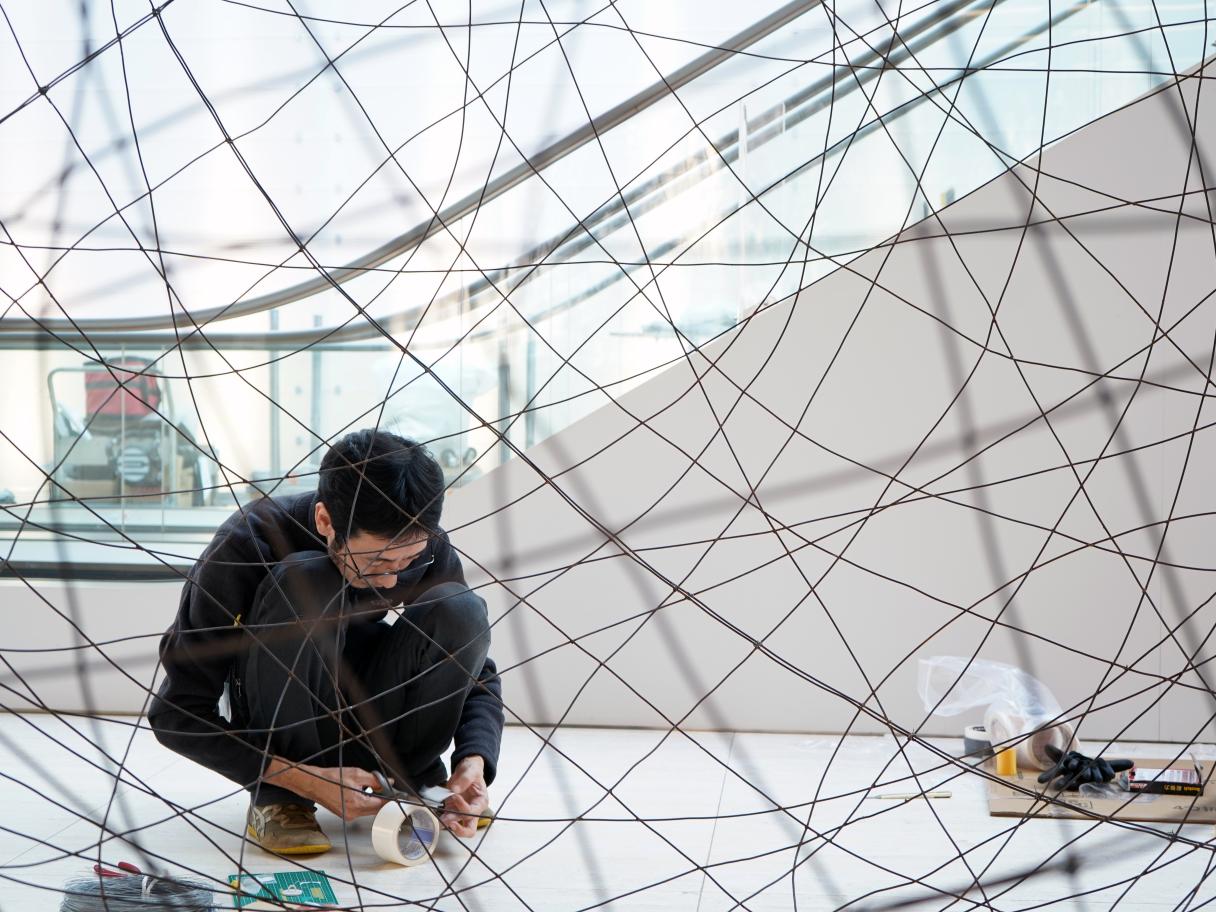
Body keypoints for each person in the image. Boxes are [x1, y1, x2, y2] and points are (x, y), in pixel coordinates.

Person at [149, 429, 503, 855]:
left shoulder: (426, 549)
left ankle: (413, 780)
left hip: (375, 719)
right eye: (376, 562)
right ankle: (282, 799)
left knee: (460, 608)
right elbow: (175, 713)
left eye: (405, 561)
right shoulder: (247, 542)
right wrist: (297, 775)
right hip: (281, 722)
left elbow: (475, 674)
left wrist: (473, 762)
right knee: (307, 578)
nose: (392, 578)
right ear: (324, 521)